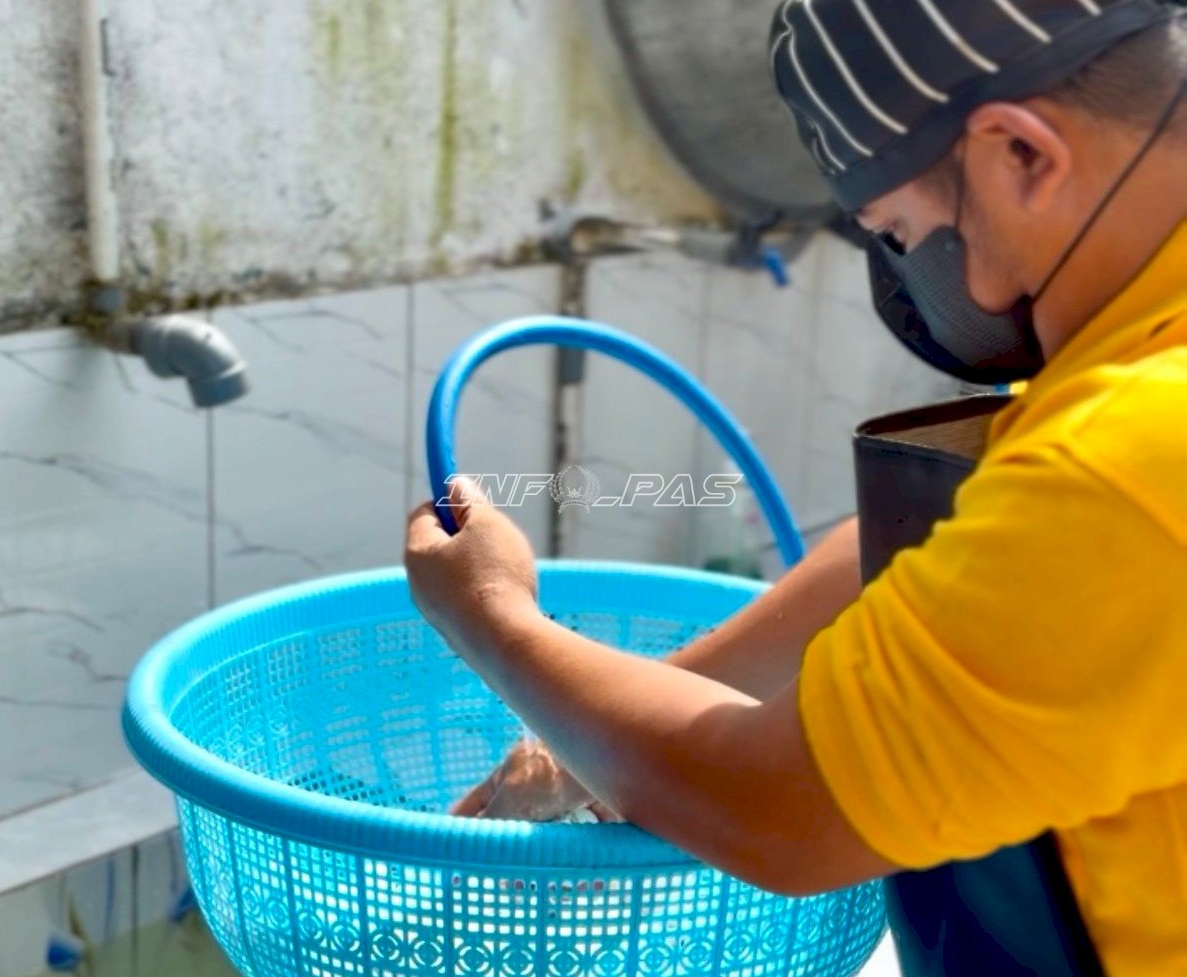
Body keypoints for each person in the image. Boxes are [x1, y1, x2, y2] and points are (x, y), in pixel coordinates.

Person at [405, 1, 1187, 973]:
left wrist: (493, 616)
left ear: (1022, 155)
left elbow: (780, 810)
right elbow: (963, 559)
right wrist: (605, 732)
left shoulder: (1137, 452)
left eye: (899, 230)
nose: (915, 278)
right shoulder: (1142, 346)